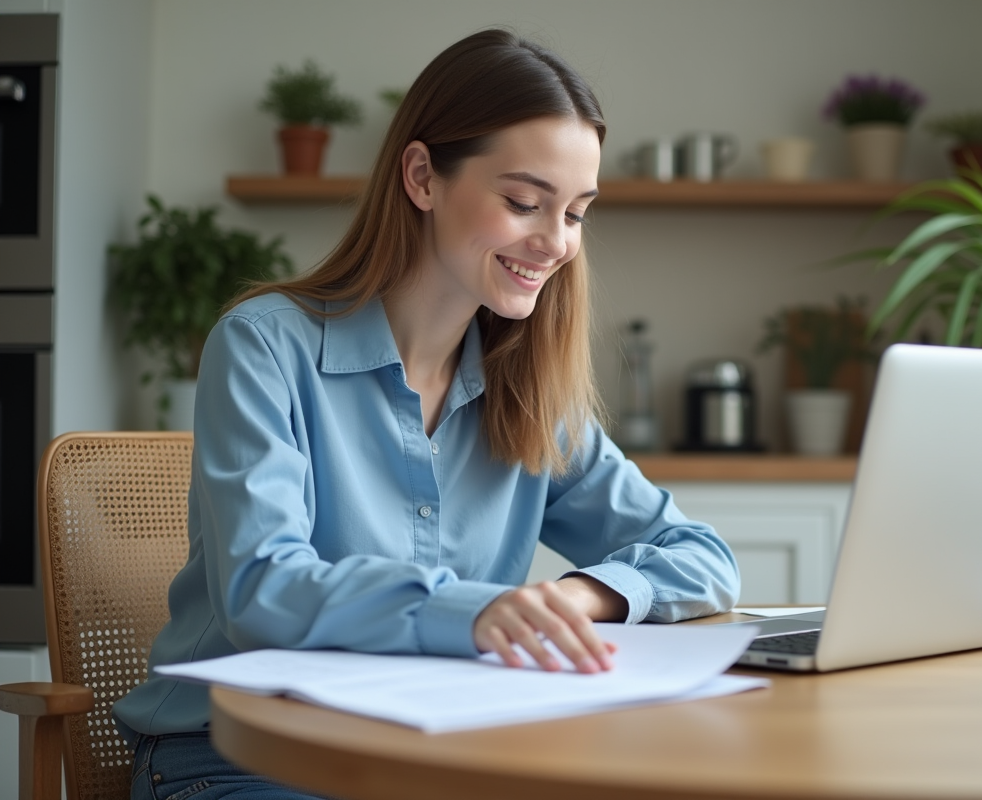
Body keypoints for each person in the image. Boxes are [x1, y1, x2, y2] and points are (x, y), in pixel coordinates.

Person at [113, 28, 739, 800]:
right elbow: (262, 590)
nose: (555, 242)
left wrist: (574, 598)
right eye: (523, 202)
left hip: (435, 756)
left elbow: (701, 556)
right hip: (237, 759)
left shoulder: (525, 383)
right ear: (421, 177)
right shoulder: (265, 346)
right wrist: (476, 615)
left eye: (576, 213)